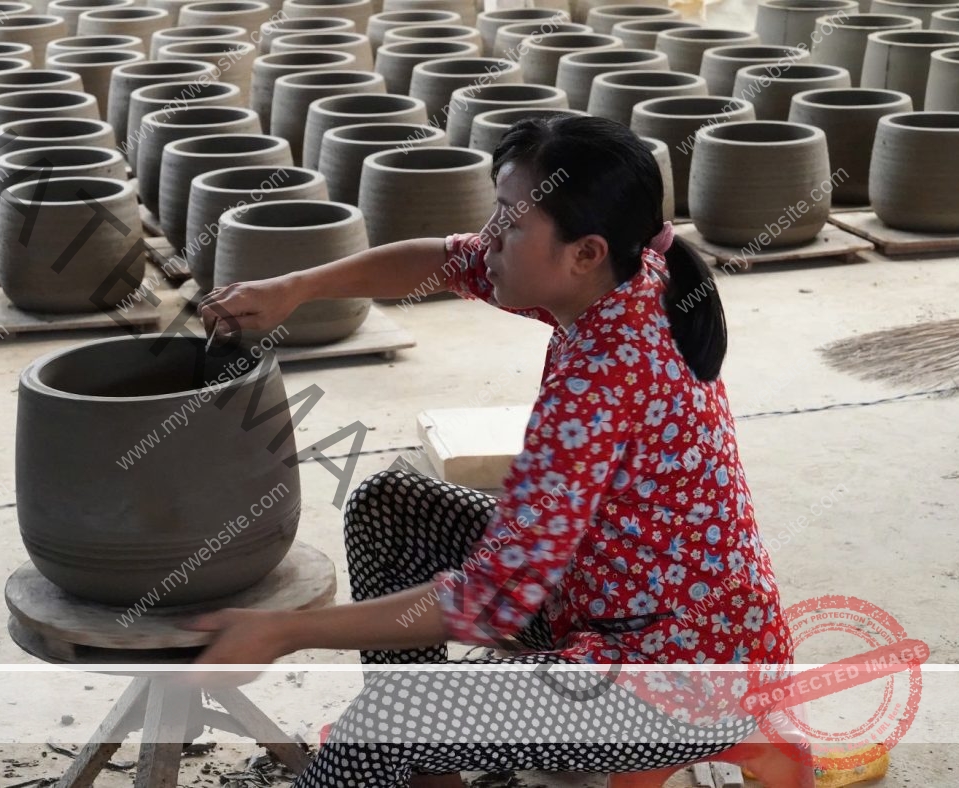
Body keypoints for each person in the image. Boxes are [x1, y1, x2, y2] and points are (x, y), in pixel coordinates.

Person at [187, 116, 805, 788]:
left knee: (384, 723)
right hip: (598, 587)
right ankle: (427, 771)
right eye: (497, 212)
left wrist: (284, 632)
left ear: (584, 252)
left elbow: (490, 602)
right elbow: (447, 259)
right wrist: (294, 288)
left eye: (509, 223)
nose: (490, 238)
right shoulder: (620, 272)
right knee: (388, 504)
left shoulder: (604, 375)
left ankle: (409, 748)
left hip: (681, 670)